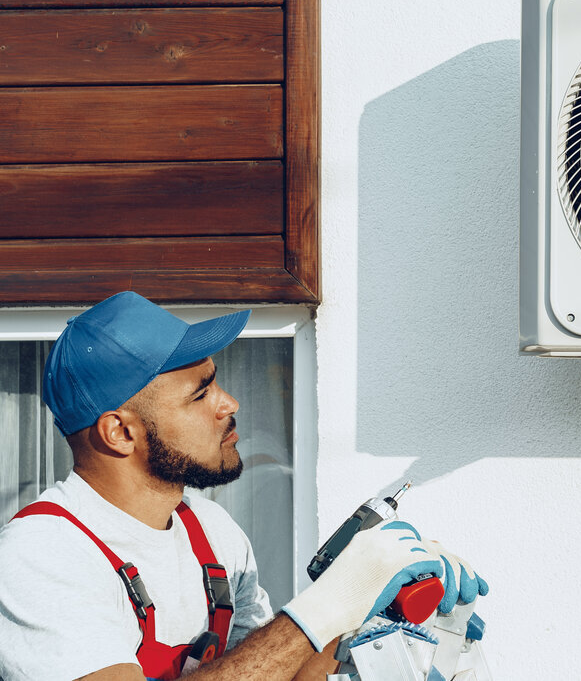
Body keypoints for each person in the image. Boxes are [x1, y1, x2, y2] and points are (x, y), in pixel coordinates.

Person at [0, 291, 486, 680]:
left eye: (217, 382)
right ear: (120, 432)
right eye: (200, 393)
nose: (228, 403)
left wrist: (367, 616)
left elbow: (278, 673)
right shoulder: (39, 555)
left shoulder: (211, 531)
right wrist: (324, 605)